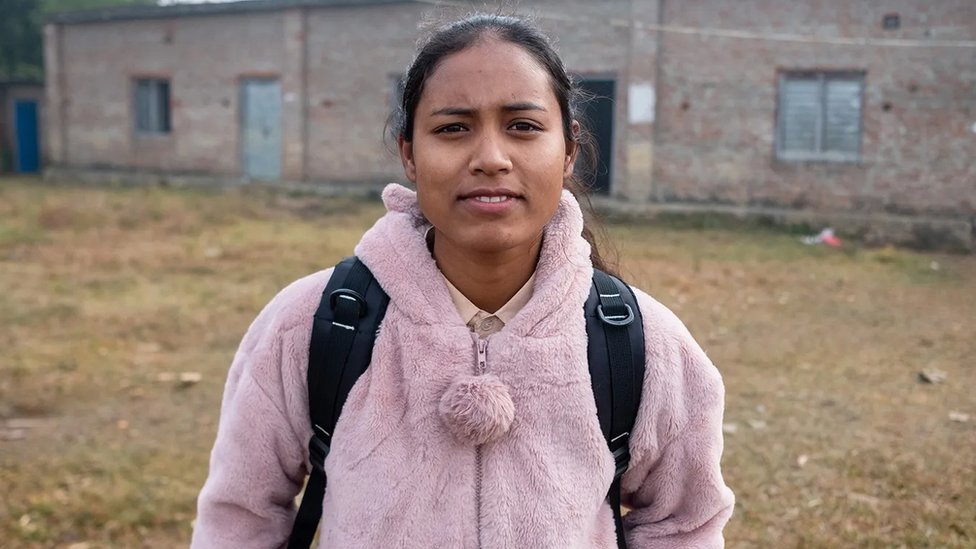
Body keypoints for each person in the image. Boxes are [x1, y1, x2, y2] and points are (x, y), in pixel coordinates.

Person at [191, 13, 734, 549]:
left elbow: (685, 525)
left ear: (568, 150)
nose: (491, 159)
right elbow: (239, 518)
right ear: (408, 153)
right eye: (453, 128)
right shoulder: (313, 325)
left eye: (523, 126)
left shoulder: (644, 344)